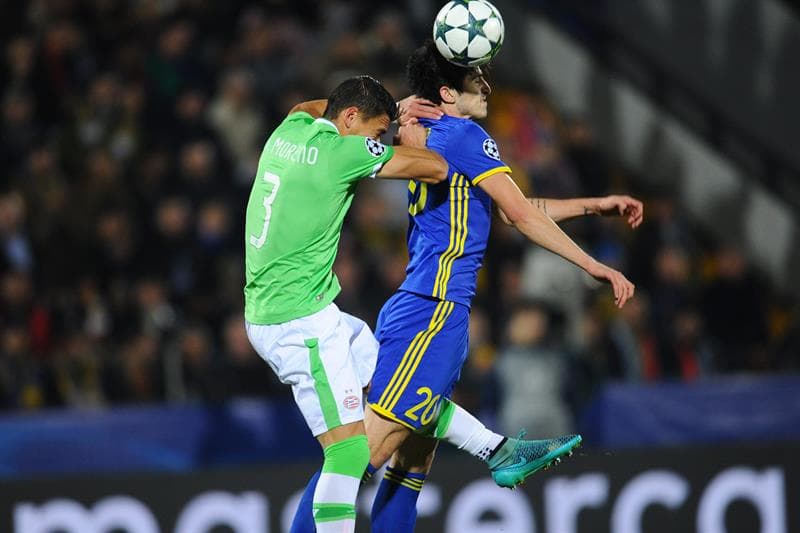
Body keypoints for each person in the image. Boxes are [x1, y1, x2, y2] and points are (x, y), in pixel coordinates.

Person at [292, 43, 643, 532]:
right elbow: (518, 215)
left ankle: (496, 452)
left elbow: (505, 206)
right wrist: (593, 265)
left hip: (424, 307)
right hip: (433, 312)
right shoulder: (462, 135)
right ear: (446, 91)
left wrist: (592, 205)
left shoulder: (429, 133)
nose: (488, 87)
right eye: (478, 79)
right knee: (357, 459)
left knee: (412, 460)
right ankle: (498, 452)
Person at [243, 75, 447, 533]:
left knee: (402, 389)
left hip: (285, 306)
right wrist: (421, 133)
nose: (377, 142)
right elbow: (434, 168)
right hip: (296, 318)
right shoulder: (344, 153)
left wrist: (390, 108)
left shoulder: (289, 131)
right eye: (377, 133)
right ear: (352, 120)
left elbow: (306, 104)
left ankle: (494, 449)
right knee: (350, 450)